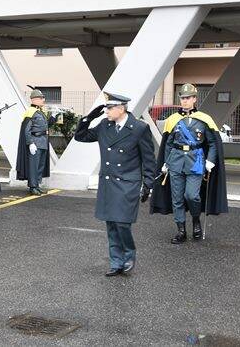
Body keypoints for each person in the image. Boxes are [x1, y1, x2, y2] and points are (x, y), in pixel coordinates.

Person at [74, 92, 155, 276]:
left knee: (122, 223)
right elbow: (81, 136)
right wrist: (88, 118)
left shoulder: (139, 128)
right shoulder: (104, 125)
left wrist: (148, 184)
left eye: (110, 108)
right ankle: (116, 262)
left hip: (127, 182)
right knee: (111, 224)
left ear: (121, 108)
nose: (106, 112)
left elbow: (149, 159)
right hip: (109, 182)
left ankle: (128, 254)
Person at [150, 83, 228, 243]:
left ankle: (195, 220)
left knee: (191, 195)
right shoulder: (173, 120)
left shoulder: (204, 119)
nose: (184, 101)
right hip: (176, 161)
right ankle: (181, 231)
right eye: (182, 98)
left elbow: (213, 143)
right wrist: (165, 163)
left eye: (188, 98)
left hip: (196, 162)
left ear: (194, 99)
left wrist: (210, 161)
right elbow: (168, 143)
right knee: (177, 198)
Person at [15, 89, 59, 195]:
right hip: (35, 142)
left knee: (40, 165)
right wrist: (30, 143)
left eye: (43, 98)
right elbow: (26, 130)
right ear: (34, 99)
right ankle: (33, 186)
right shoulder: (30, 112)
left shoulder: (40, 112)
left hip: (43, 142)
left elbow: (45, 126)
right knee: (33, 166)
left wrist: (54, 116)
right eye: (41, 98)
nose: (43, 100)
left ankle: (37, 185)